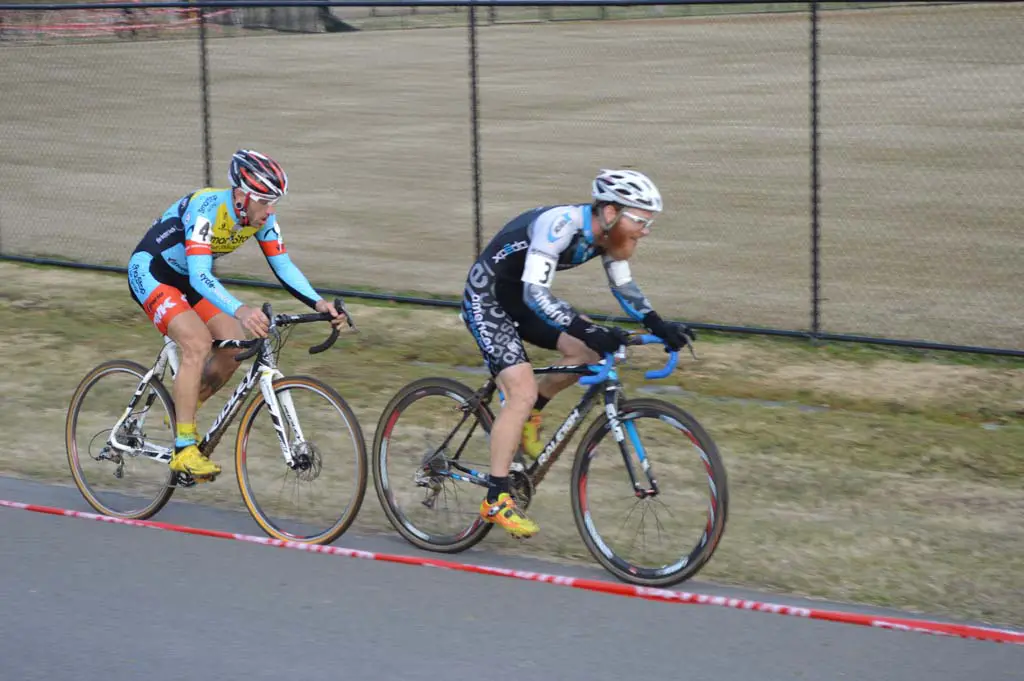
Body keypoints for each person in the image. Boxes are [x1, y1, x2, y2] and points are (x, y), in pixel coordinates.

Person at [461, 169, 694, 538]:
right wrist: (590, 329)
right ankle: (496, 497)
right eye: (641, 220)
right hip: (489, 300)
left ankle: (532, 414)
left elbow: (624, 286)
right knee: (519, 390)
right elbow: (536, 294)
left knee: (587, 353)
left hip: (522, 300)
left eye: (650, 223)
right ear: (612, 211)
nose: (645, 230)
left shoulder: (608, 236)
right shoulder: (561, 225)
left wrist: (657, 323)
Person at [127, 149, 347, 481]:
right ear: (243, 196)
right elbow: (202, 275)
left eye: (274, 201)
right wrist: (242, 310)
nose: (270, 210)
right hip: (154, 273)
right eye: (265, 200)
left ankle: (182, 407)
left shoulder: (259, 217)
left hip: (188, 280)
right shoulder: (206, 209)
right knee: (198, 344)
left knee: (234, 349)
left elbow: (283, 265)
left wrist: (319, 304)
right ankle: (184, 449)